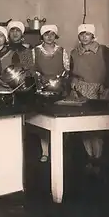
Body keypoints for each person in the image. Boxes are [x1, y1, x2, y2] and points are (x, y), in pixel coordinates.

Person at [69, 23, 109, 174]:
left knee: (97, 128)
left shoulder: (104, 51)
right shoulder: (74, 53)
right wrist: (74, 85)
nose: (84, 37)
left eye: (87, 34)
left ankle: (98, 159)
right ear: (79, 37)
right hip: (82, 91)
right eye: (82, 34)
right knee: (84, 127)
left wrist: (106, 86)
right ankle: (89, 159)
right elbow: (71, 73)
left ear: (93, 36)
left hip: (100, 91)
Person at [32, 24, 70, 162]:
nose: (49, 36)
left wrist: (61, 78)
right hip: (42, 91)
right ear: (42, 36)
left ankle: (59, 152)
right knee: (45, 122)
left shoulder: (62, 51)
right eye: (46, 34)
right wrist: (39, 78)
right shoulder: (34, 51)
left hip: (59, 91)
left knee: (60, 122)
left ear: (56, 36)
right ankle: (45, 152)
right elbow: (31, 69)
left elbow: (67, 69)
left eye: (52, 34)